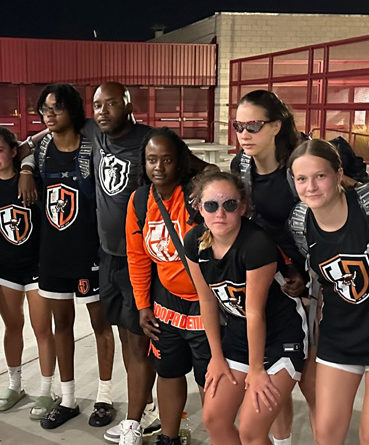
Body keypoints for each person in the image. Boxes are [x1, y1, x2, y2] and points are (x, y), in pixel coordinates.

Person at [18, 82, 214, 443]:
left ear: (128, 105)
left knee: (143, 341)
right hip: (108, 256)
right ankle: (146, 409)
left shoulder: (150, 140)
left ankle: (141, 417)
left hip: (146, 259)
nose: (103, 111)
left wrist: (202, 203)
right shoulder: (94, 131)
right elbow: (43, 135)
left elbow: (206, 170)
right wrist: (27, 166)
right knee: (128, 338)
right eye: (97, 105)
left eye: (111, 104)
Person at [289, 139, 369, 444]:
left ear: (338, 174)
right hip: (339, 337)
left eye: (320, 176)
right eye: (302, 178)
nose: (311, 187)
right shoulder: (299, 222)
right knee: (326, 433)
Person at [183, 172, 308, 445]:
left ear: (242, 207)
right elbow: (207, 301)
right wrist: (216, 357)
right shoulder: (194, 242)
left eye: (229, 205)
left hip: (280, 337)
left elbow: (255, 312)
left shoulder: (256, 244)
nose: (220, 213)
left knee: (252, 431)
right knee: (214, 419)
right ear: (199, 208)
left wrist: (256, 370)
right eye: (211, 205)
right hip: (239, 336)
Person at [28, 83, 117, 430]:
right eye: (44, 109)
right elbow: (21, 151)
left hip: (90, 252)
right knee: (61, 325)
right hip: (53, 251)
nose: (49, 115)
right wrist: (25, 169)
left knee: (100, 324)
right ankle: (67, 400)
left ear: (74, 111)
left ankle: (104, 397)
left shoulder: (92, 144)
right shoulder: (42, 149)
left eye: (57, 108)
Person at [229, 89, 312, 444]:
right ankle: (283, 441)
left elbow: (326, 223)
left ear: (276, 126)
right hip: (270, 281)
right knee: (278, 370)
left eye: (253, 126)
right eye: (238, 126)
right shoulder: (240, 167)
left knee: (312, 384)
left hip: (312, 282)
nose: (244, 134)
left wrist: (307, 277)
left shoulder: (299, 169)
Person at [124, 128, 209, 445]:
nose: (158, 167)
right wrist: (143, 305)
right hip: (166, 303)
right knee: (169, 370)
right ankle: (169, 438)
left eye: (167, 160)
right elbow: (137, 257)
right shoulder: (140, 201)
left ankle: (220, 435)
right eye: (151, 159)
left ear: (181, 162)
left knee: (209, 376)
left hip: (204, 302)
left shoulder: (196, 197)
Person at [0, 125, 58, 415]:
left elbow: (36, 142)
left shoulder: (35, 177)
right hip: (4, 268)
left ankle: (47, 390)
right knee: (12, 327)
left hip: (38, 267)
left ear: (13, 151)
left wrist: (26, 166)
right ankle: (15, 384)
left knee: (42, 329)